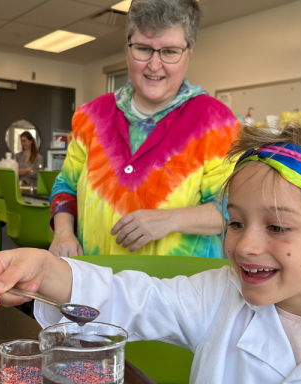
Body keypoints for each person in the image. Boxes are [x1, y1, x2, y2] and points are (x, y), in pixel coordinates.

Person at [0, 97, 301, 384]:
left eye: (277, 226)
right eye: (235, 222)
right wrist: (45, 268)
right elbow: (132, 299)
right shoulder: (222, 297)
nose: (245, 244)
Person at [49, 0, 239, 258]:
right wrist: (63, 234)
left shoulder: (216, 122)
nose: (154, 65)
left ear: (189, 52)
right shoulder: (91, 116)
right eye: (143, 49)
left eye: (169, 52)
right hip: (95, 280)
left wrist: (169, 220)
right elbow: (66, 187)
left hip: (176, 289)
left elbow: (233, 209)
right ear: (127, 47)